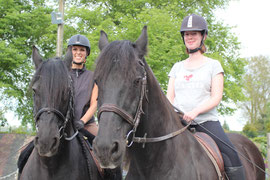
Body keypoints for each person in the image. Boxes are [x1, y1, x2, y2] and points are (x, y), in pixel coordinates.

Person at [166, 14, 245, 180]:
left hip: (206, 122)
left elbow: (216, 97)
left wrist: (195, 112)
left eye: (194, 33)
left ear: (203, 36)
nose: (190, 37)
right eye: (187, 34)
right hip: (179, 124)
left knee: (231, 155)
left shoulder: (213, 65)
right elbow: (169, 98)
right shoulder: (176, 68)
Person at [67, 34, 98, 138]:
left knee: (105, 146)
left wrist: (82, 121)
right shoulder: (62, 75)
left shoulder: (93, 77)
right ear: (69, 52)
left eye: (82, 50)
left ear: (86, 53)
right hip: (63, 125)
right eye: (74, 49)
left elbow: (95, 104)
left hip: (86, 125)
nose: (78, 53)